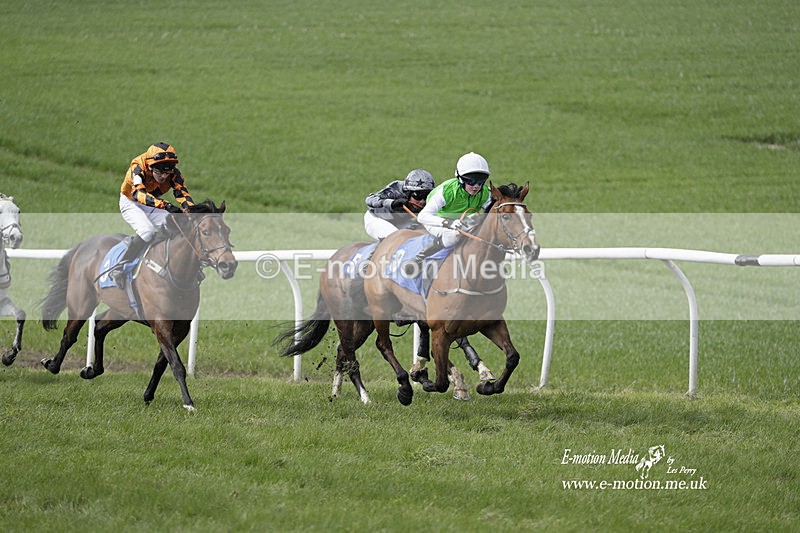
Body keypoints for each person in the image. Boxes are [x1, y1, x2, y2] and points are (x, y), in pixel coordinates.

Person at [109, 142, 195, 286]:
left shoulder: (174, 174)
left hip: (152, 202)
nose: (163, 176)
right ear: (150, 166)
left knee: (181, 227)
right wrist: (166, 205)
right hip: (132, 202)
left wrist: (191, 210)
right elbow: (139, 194)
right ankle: (120, 267)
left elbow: (182, 193)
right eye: (159, 172)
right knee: (147, 231)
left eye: (167, 172)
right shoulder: (137, 168)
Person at [403, 152, 493, 273]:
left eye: (480, 182)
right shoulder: (447, 191)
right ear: (460, 179)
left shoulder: (485, 193)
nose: (476, 187)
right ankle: (417, 260)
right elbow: (423, 217)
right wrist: (448, 223)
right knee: (453, 236)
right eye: (471, 182)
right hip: (435, 221)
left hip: (461, 221)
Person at [363, 169, 435, 240]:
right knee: (397, 239)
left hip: (403, 220)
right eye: (418, 195)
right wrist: (392, 204)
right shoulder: (396, 188)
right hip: (377, 218)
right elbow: (369, 199)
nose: (422, 201)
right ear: (408, 192)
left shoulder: (433, 198)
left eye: (426, 196)